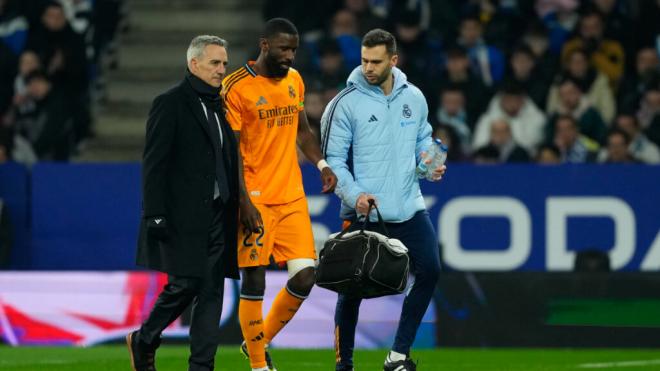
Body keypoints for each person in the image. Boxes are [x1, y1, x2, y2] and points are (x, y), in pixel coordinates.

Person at [321, 28, 445, 371]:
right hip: (366, 211)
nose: (368, 68)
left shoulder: (414, 97)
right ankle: (343, 363)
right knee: (351, 288)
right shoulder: (344, 103)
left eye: (375, 61)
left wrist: (429, 161)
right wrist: (355, 194)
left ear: (393, 60)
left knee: (431, 270)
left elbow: (424, 136)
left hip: (409, 205)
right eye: (363, 61)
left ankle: (398, 355)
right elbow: (333, 160)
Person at [222, 18, 337, 371]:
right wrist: (243, 202)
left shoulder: (295, 80)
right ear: (264, 44)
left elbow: (302, 132)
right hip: (254, 197)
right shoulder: (235, 87)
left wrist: (321, 165)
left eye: (294, 49)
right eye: (284, 48)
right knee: (254, 277)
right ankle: (259, 365)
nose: (289, 55)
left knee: (306, 276)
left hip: (290, 195)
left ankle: (257, 341)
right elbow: (231, 152)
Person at [127, 35, 240, 371]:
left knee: (211, 295)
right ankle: (145, 338)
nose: (222, 69)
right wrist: (155, 213)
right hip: (181, 216)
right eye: (214, 63)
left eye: (224, 63)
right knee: (185, 284)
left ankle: (201, 367)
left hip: (219, 215)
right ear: (194, 64)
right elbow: (154, 163)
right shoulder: (170, 102)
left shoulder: (221, 107)